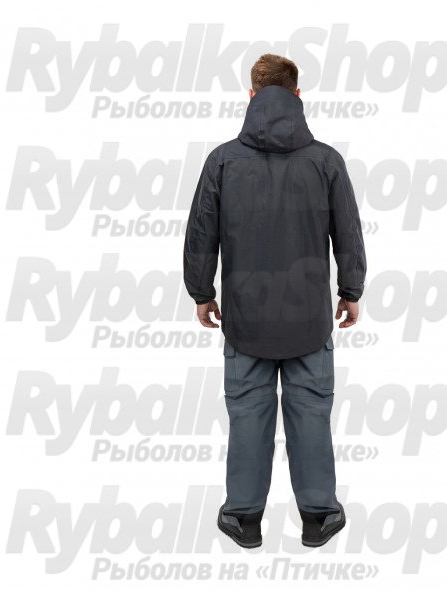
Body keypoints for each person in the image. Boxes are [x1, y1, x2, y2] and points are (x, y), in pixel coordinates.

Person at [183, 53, 367, 548]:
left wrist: (202, 292)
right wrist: (350, 290)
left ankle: (243, 518)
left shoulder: (223, 161)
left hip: (245, 320)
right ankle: (319, 517)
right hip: (309, 319)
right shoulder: (325, 161)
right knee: (311, 414)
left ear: (251, 96)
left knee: (247, 414)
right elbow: (348, 232)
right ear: (297, 95)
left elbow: (201, 233)